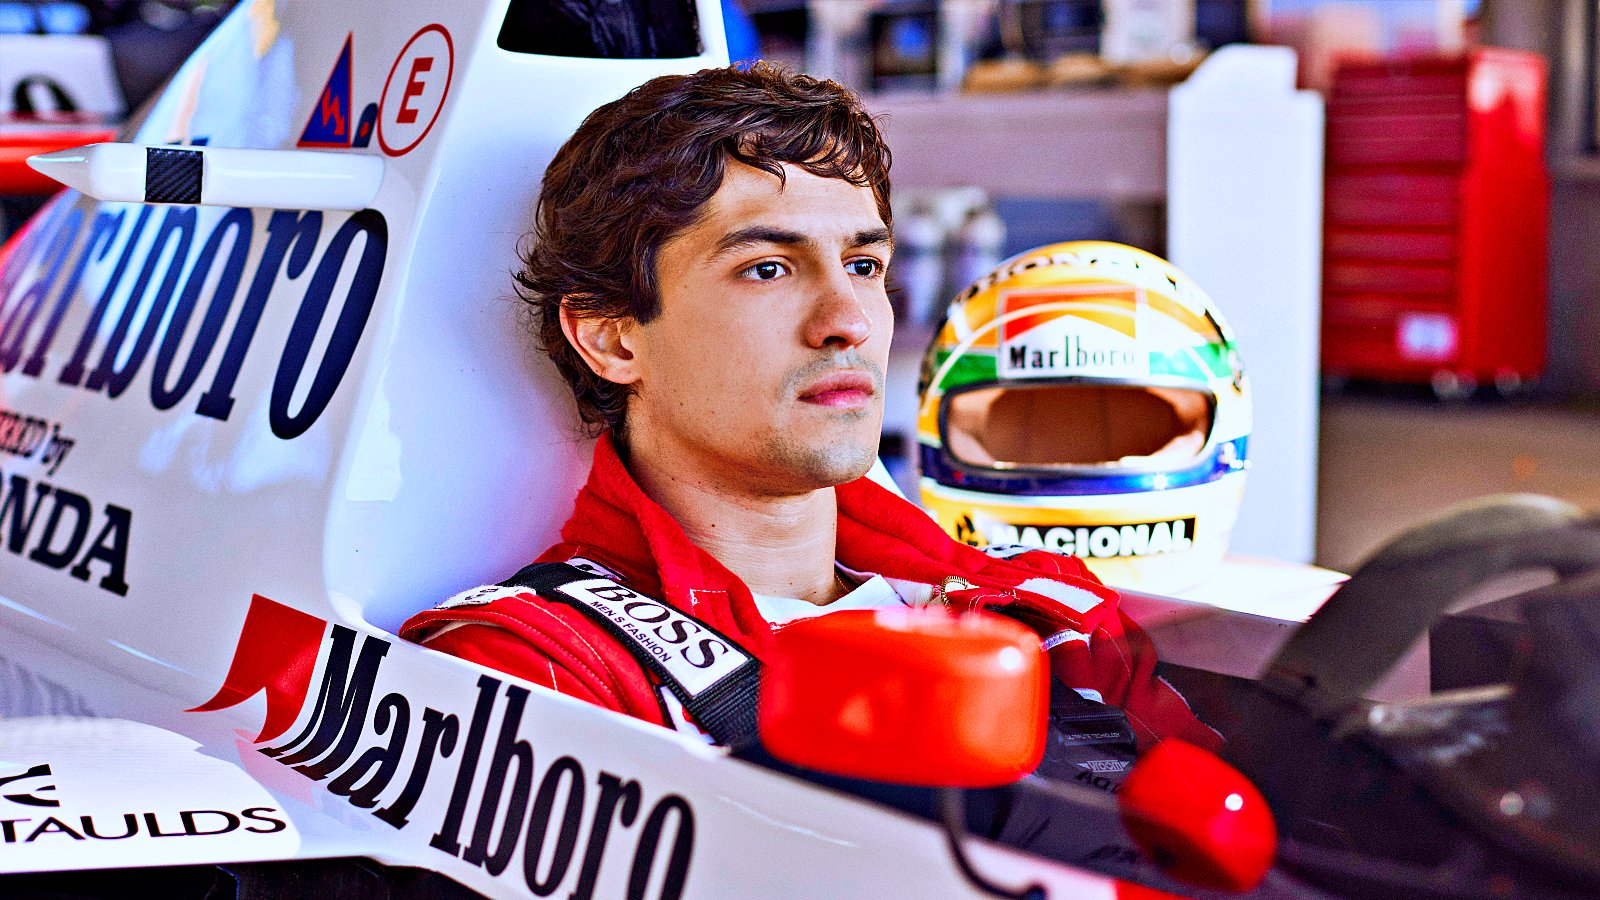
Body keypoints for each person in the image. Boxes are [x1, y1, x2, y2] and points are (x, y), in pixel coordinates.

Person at [400, 63, 1218, 753]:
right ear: (612, 338)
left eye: (863, 265)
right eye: (768, 268)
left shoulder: (1047, 609)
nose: (848, 321)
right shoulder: (534, 668)